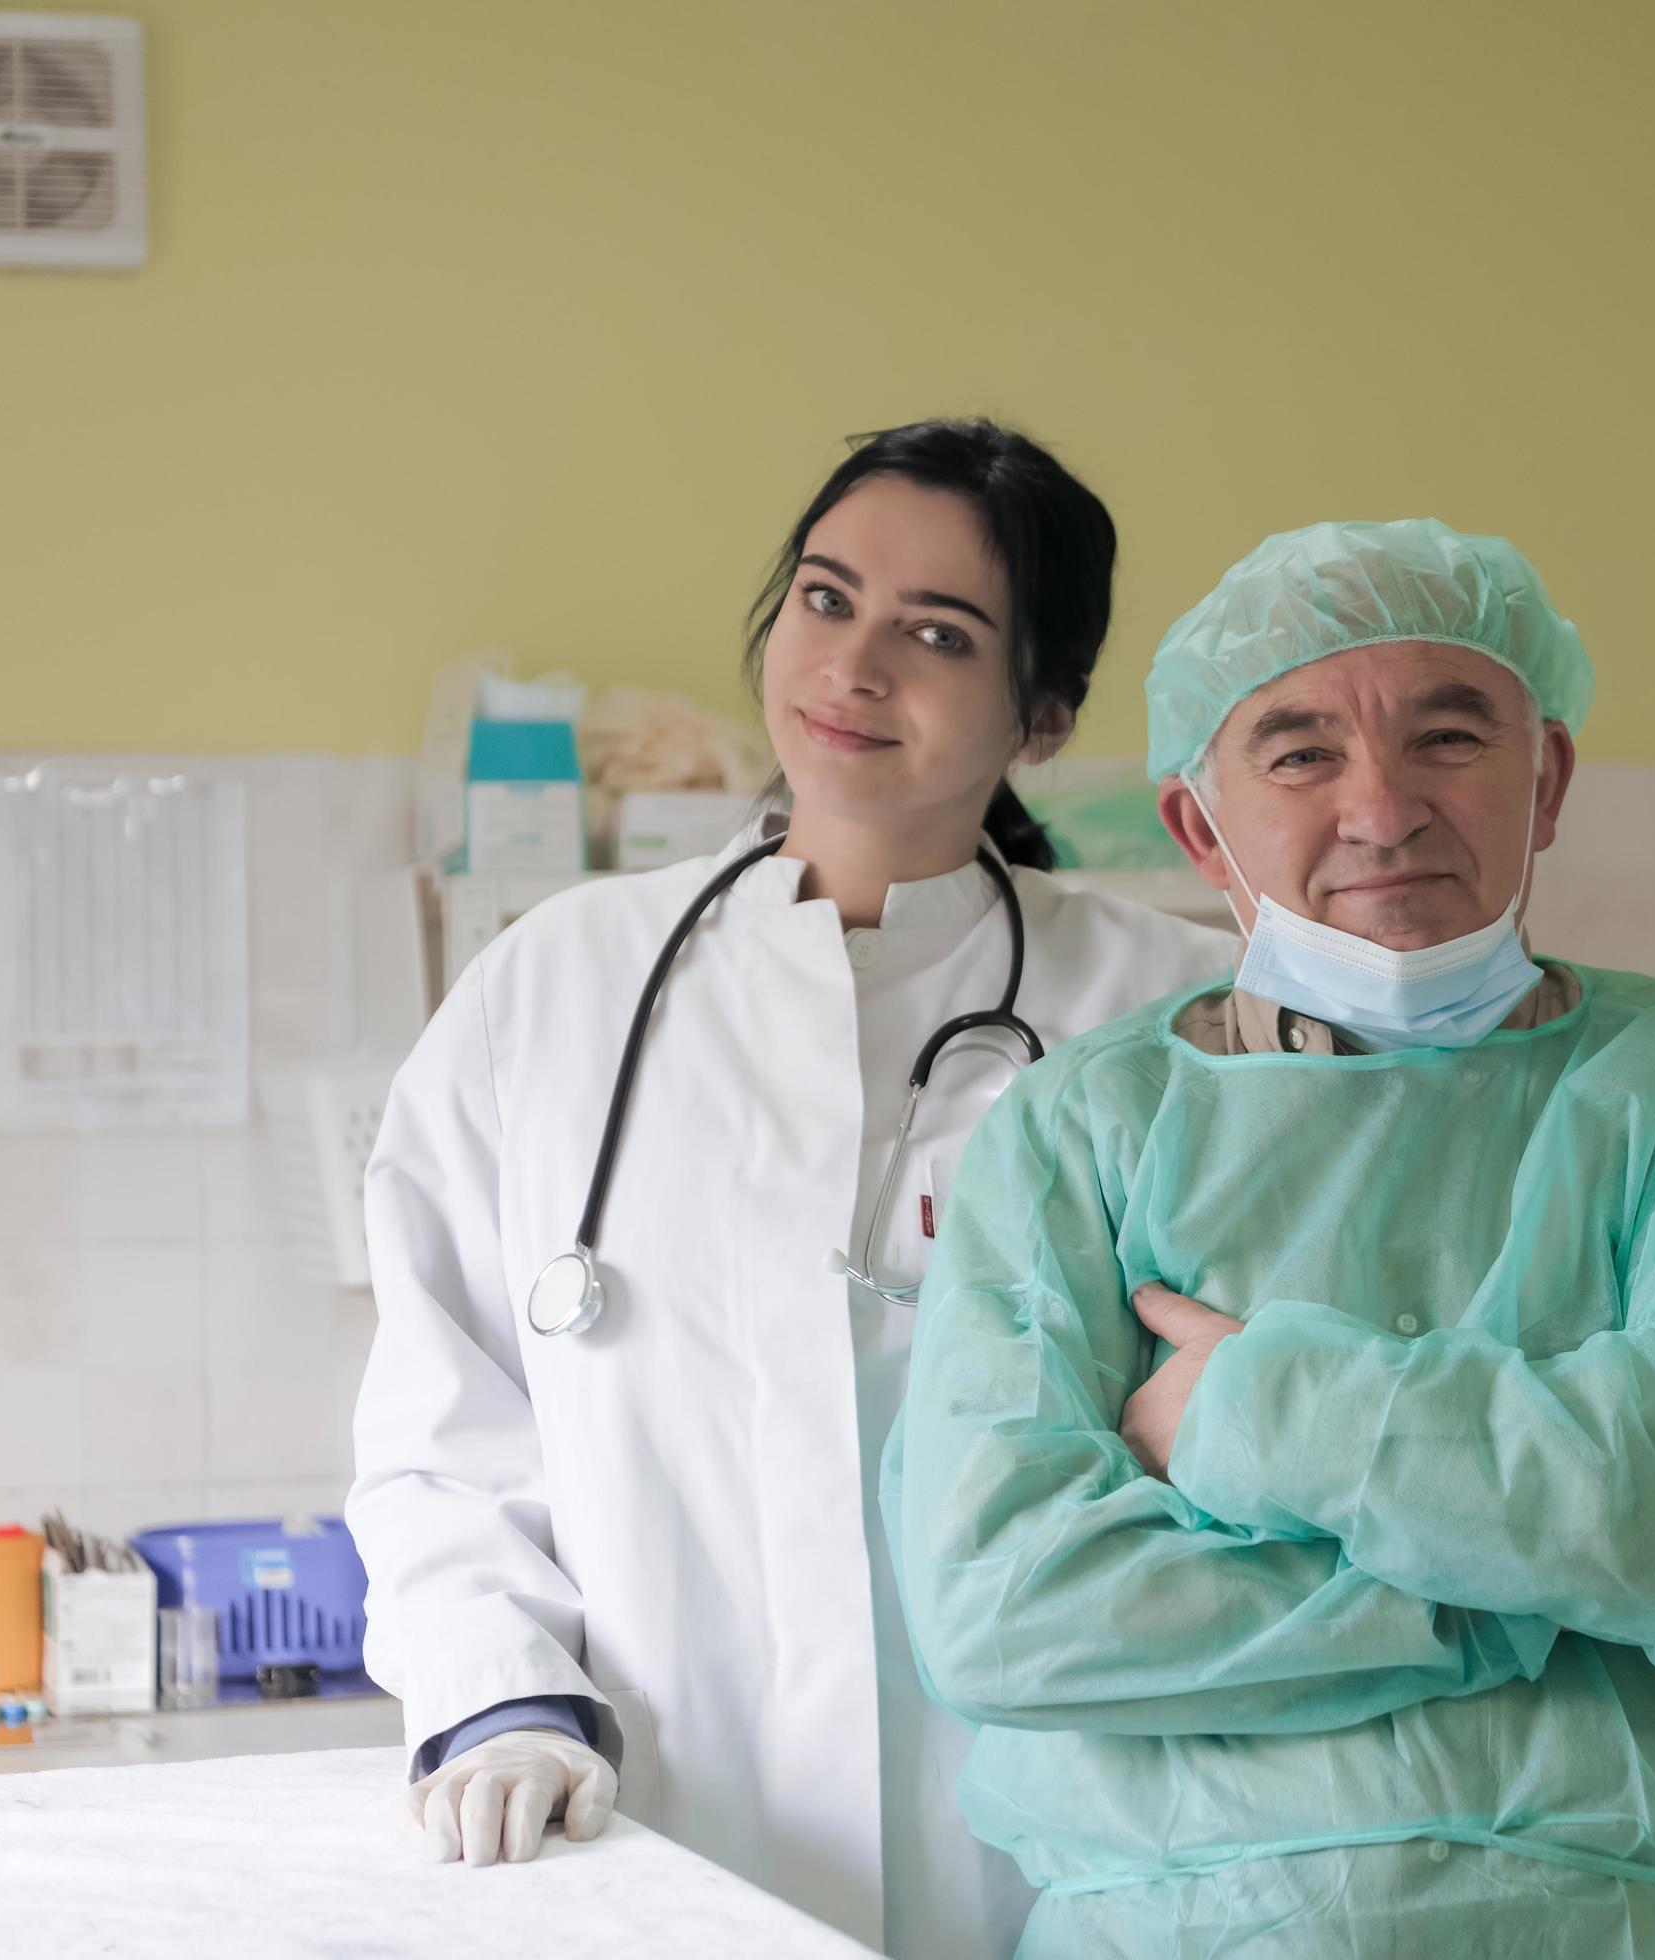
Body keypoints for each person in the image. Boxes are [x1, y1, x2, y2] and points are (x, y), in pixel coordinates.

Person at [888, 520, 1655, 1957]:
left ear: (1545, 782)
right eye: (1299, 754)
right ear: (1198, 826)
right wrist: (1512, 1596)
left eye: (1450, 737)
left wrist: (1256, 1409)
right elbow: (1009, 1606)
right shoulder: (1078, 1132)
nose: (1383, 808)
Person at [346, 420, 1234, 1957]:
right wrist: (500, 1699)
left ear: (1044, 712)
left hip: (1062, 1863)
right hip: (657, 1840)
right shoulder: (554, 993)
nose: (855, 666)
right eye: (826, 600)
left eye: (937, 634)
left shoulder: (1169, 1016)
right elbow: (442, 1429)